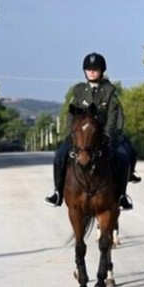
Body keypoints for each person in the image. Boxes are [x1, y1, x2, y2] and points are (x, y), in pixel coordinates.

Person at [44, 52, 134, 210]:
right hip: (80, 137)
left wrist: (108, 134)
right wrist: (70, 135)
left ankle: (121, 196)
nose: (92, 72)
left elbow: (113, 115)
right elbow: (71, 114)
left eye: (95, 69)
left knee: (123, 157)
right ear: (84, 71)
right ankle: (57, 193)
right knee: (59, 156)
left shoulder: (110, 90)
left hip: (104, 136)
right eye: (89, 69)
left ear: (101, 71)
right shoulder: (78, 91)